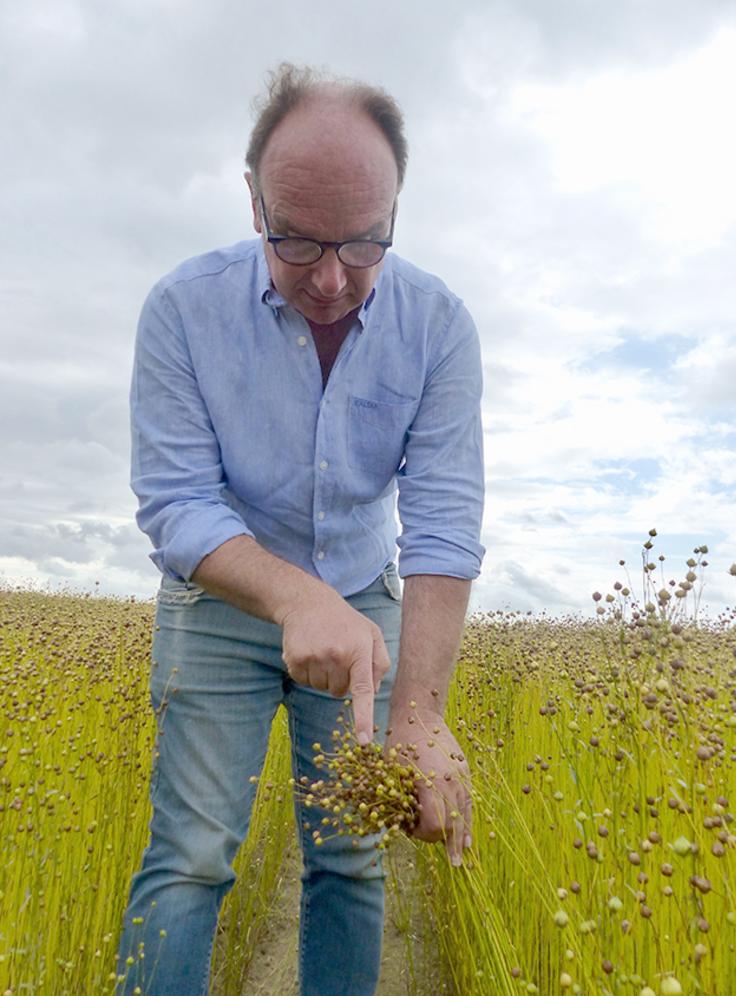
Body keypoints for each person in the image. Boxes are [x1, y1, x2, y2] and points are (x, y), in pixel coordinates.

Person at [116, 63, 484, 996]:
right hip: (219, 599)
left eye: (363, 244)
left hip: (364, 597)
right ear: (253, 203)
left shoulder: (439, 326)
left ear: (394, 210)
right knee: (192, 856)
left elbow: (442, 520)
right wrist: (293, 598)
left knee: (352, 859)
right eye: (296, 241)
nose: (330, 279)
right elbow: (176, 501)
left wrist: (420, 714)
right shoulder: (182, 309)